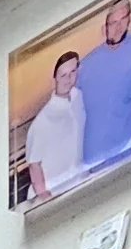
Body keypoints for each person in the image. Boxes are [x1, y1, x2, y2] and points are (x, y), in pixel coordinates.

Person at [73, 0, 131, 175]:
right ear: (104, 27)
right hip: (93, 158)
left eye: (123, 20)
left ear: (129, 19)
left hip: (129, 145)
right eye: (113, 22)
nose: (118, 28)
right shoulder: (84, 66)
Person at [21, 49, 86, 201]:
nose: (68, 78)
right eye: (63, 75)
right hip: (55, 193)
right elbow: (34, 165)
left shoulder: (79, 96)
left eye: (73, 72)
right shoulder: (42, 121)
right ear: (55, 78)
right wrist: (45, 197)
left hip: (79, 182)